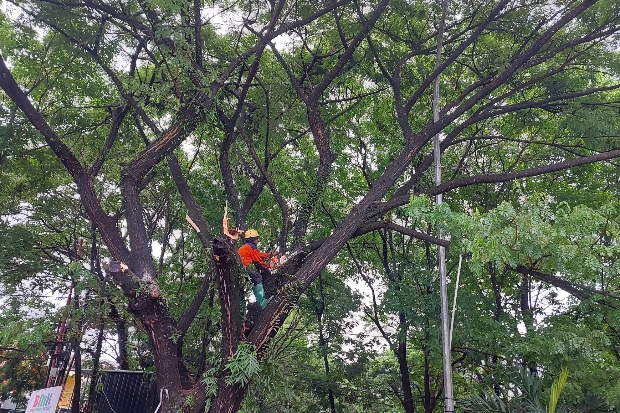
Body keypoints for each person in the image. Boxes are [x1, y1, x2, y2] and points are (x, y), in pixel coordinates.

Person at [238, 229, 272, 309]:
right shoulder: (251, 247)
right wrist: (269, 266)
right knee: (257, 277)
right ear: (252, 239)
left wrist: (269, 255)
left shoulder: (246, 247)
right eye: (257, 238)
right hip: (242, 268)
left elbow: (258, 254)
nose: (258, 240)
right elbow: (258, 262)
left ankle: (242, 314)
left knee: (241, 289)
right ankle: (263, 303)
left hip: (238, 269)